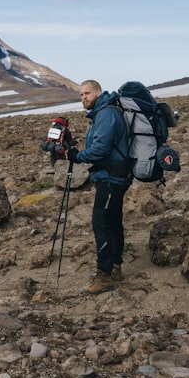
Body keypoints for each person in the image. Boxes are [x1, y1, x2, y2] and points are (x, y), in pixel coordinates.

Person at [66, 79, 132, 295]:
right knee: (112, 221)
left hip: (112, 178)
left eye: (87, 93)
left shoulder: (105, 114)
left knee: (101, 223)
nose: (83, 98)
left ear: (98, 92)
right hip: (113, 175)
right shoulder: (103, 113)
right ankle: (115, 268)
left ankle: (104, 275)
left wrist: (75, 155)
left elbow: (99, 151)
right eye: (81, 95)